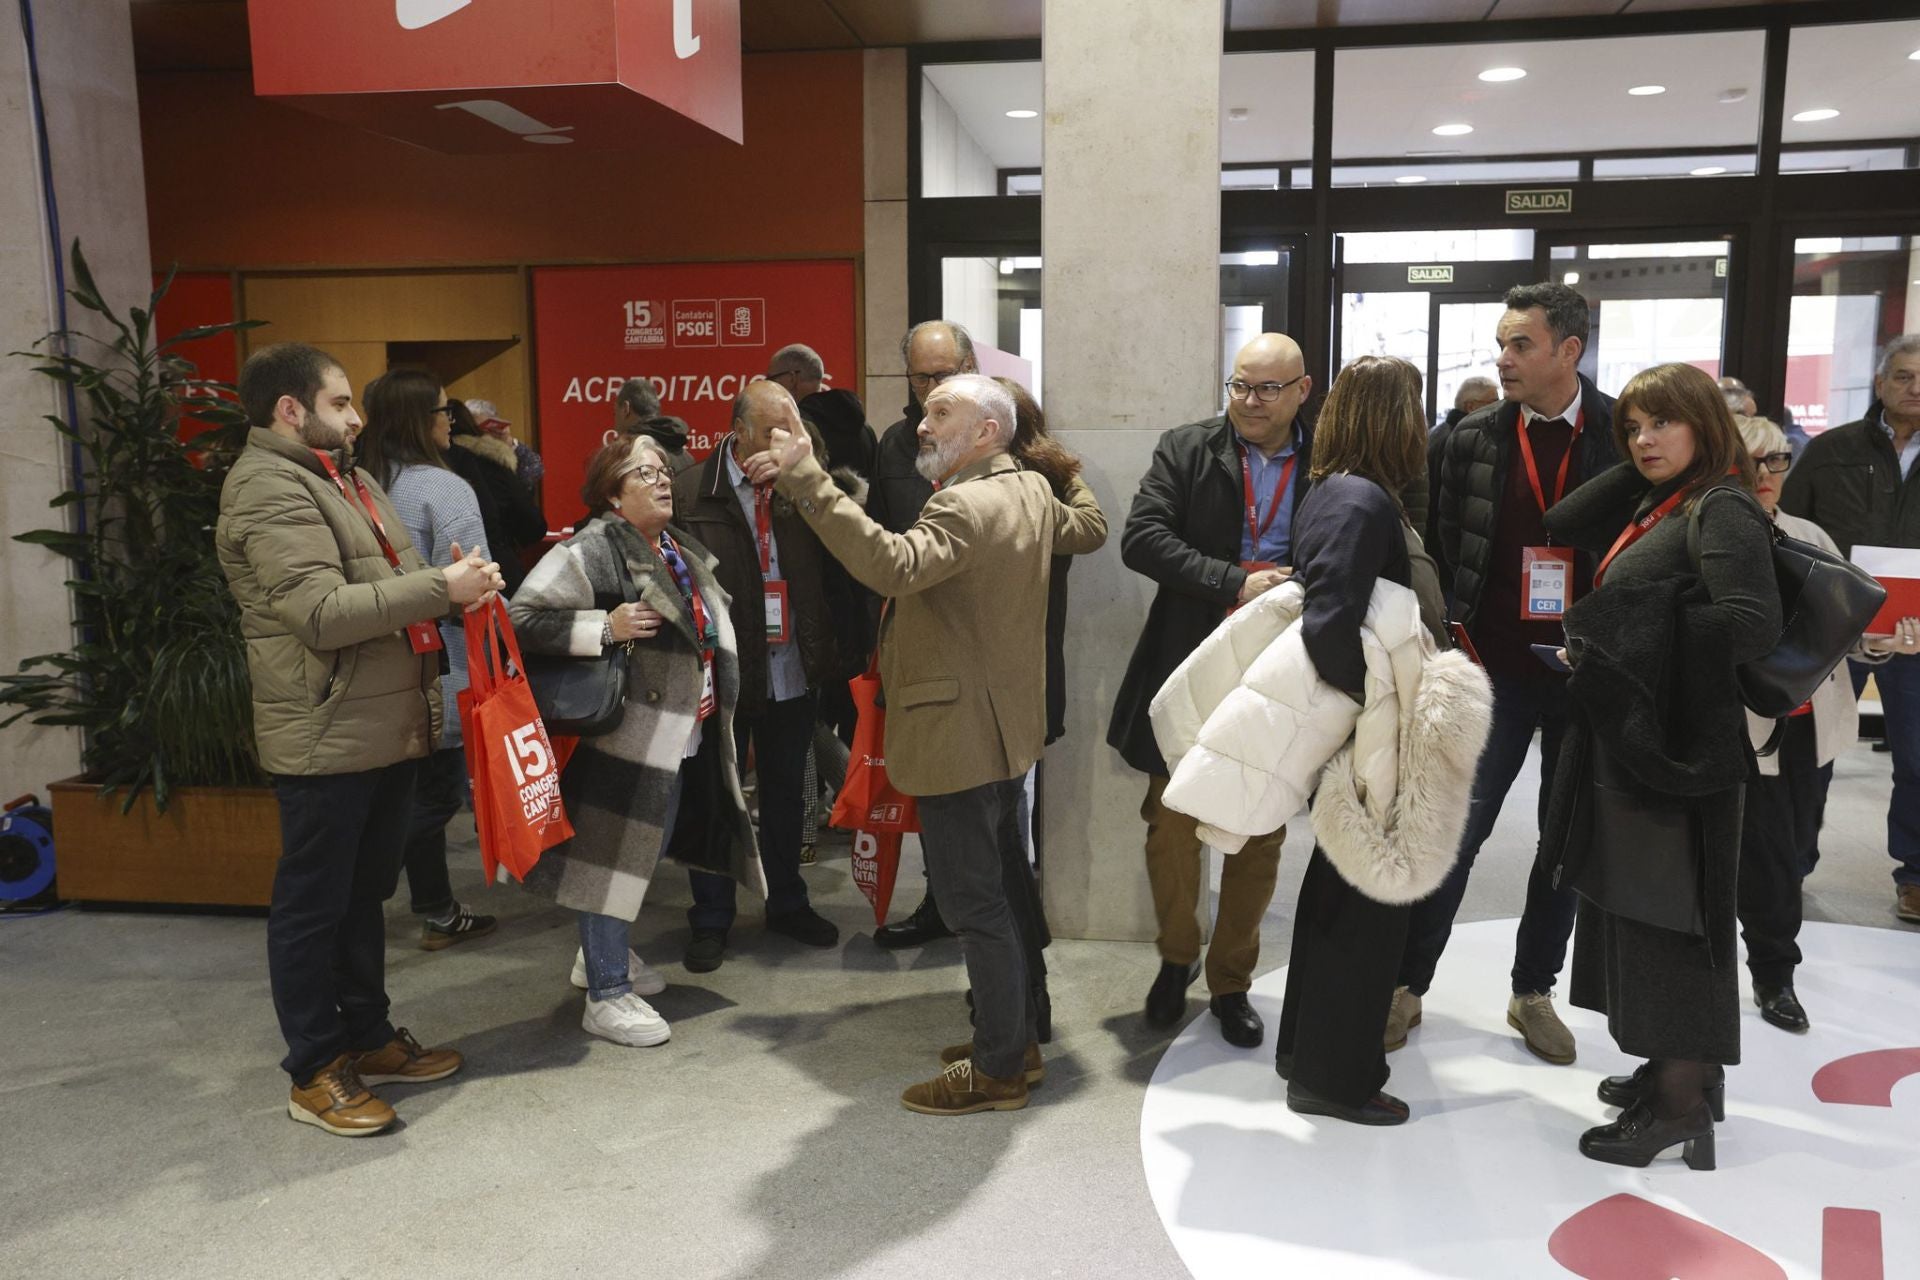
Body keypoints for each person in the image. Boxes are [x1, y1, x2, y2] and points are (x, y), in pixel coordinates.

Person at [765, 373, 1107, 1115]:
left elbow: (890, 564)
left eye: (941, 412)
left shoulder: (963, 501)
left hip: (959, 733)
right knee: (997, 896)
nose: (922, 424)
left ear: (988, 431)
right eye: (923, 411)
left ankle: (997, 1071)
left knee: (973, 905)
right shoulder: (1029, 491)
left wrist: (808, 479)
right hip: (1001, 728)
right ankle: (1013, 1042)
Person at [1153, 355, 1477, 1125]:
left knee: (1347, 896)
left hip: (1362, 731)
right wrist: (1379, 704)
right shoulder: (1362, 500)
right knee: (1368, 907)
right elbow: (1331, 624)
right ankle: (1335, 1079)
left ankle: (1314, 1056)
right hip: (1369, 735)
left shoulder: (1342, 491)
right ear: (1396, 419)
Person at [216, 342, 504, 1137]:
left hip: (386, 722)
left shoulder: (350, 476)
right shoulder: (268, 488)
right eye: (341, 403)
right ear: (290, 409)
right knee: (313, 907)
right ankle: (314, 1068)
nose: (356, 417)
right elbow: (318, 612)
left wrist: (454, 587)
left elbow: (395, 584)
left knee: (363, 896)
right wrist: (436, 589)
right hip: (326, 730)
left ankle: (368, 1036)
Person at [1540, 361, 1780, 1171]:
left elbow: (1749, 625)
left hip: (1683, 754)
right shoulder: (1669, 499)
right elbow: (1561, 515)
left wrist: (1622, 642)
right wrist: (1649, 465)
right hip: (1648, 746)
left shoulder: (1724, 507)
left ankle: (1680, 1108)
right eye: (1633, 427)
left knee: (1673, 922)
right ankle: (1675, 1069)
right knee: (1639, 914)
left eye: (1662, 424)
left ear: (1705, 426)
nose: (1643, 440)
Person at [1411, 281, 1618, 1066]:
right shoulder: (1468, 438)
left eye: (1520, 345)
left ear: (1570, 350)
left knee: (1562, 845)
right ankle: (1408, 984)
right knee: (1457, 835)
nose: (1503, 360)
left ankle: (1534, 991)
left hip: (1584, 675)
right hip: (1490, 672)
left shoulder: (1619, 436)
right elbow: (1432, 544)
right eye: (1500, 344)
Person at [509, 436, 763, 1046]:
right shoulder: (594, 547)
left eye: (663, 470)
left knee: (640, 852)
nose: (662, 480)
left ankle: (601, 954)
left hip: (681, 733)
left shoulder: (673, 547)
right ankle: (605, 992)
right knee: (611, 859)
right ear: (611, 492)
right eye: (643, 472)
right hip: (625, 737)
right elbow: (522, 618)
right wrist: (606, 626)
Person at [1107, 333, 1313, 1049]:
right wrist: (1234, 580)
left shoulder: (1327, 457)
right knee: (1169, 823)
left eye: (1265, 389)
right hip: (1192, 654)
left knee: (1258, 830)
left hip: (1283, 666)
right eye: (1238, 386)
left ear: (1300, 390)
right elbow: (1142, 538)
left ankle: (1230, 982)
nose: (1249, 402)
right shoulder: (1188, 447)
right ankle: (1175, 954)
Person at [1731, 414, 1910, 1033]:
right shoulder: (1707, 532)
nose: (1766, 475)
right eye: (1750, 461)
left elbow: (1846, 633)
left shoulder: (1809, 533)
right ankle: (1774, 973)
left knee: (1796, 845)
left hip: (1813, 719)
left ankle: (1772, 964)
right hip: (1742, 724)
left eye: (1777, 461)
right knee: (1768, 854)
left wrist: (1884, 642)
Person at [670, 381, 843, 970]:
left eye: (791, 428)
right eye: (772, 431)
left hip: (791, 663)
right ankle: (711, 915)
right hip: (725, 671)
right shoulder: (692, 490)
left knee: (788, 787)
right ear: (737, 431)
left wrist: (804, 475)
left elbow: (845, 554)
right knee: (716, 792)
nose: (784, 441)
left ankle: (787, 901)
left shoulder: (806, 480)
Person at [356, 369, 499, 951]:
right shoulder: (443, 489)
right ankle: (359, 889)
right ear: (420, 419)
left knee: (410, 790)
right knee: (436, 795)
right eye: (444, 410)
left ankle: (437, 907)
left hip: (372, 665)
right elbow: (479, 584)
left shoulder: (357, 485)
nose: (451, 420)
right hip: (444, 664)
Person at [1779, 333, 1920, 925]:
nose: (1916, 388)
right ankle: (1792, 862)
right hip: (1834, 625)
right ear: (1881, 383)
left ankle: (1914, 875)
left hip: (1916, 631)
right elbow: (1789, 529)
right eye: (1905, 376)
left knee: (1917, 757)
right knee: (1814, 749)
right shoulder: (1831, 450)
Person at [866, 320, 981, 950]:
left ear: (970, 366)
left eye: (945, 373)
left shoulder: (1000, 436)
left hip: (984, 643)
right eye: (921, 376)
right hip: (918, 641)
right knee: (932, 787)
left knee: (991, 798)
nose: (932, 386)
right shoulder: (894, 444)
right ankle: (942, 902)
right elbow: (880, 542)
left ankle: (990, 911)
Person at [445, 398, 546, 596]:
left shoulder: (435, 461)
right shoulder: (491, 460)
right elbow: (532, 522)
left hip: (449, 575)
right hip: (499, 568)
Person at [1426, 375, 1498, 585]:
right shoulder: (1458, 442)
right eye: (1493, 402)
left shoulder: (1438, 433)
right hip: (1446, 555)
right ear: (1470, 406)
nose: (1500, 408)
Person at [613, 377, 698, 474]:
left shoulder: (626, 452)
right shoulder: (687, 457)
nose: (614, 424)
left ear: (625, 408)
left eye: (615, 412)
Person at [464, 397, 545, 498]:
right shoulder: (462, 451)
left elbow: (534, 471)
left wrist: (509, 443)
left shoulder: (505, 450)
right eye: (476, 429)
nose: (481, 434)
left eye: (485, 429)